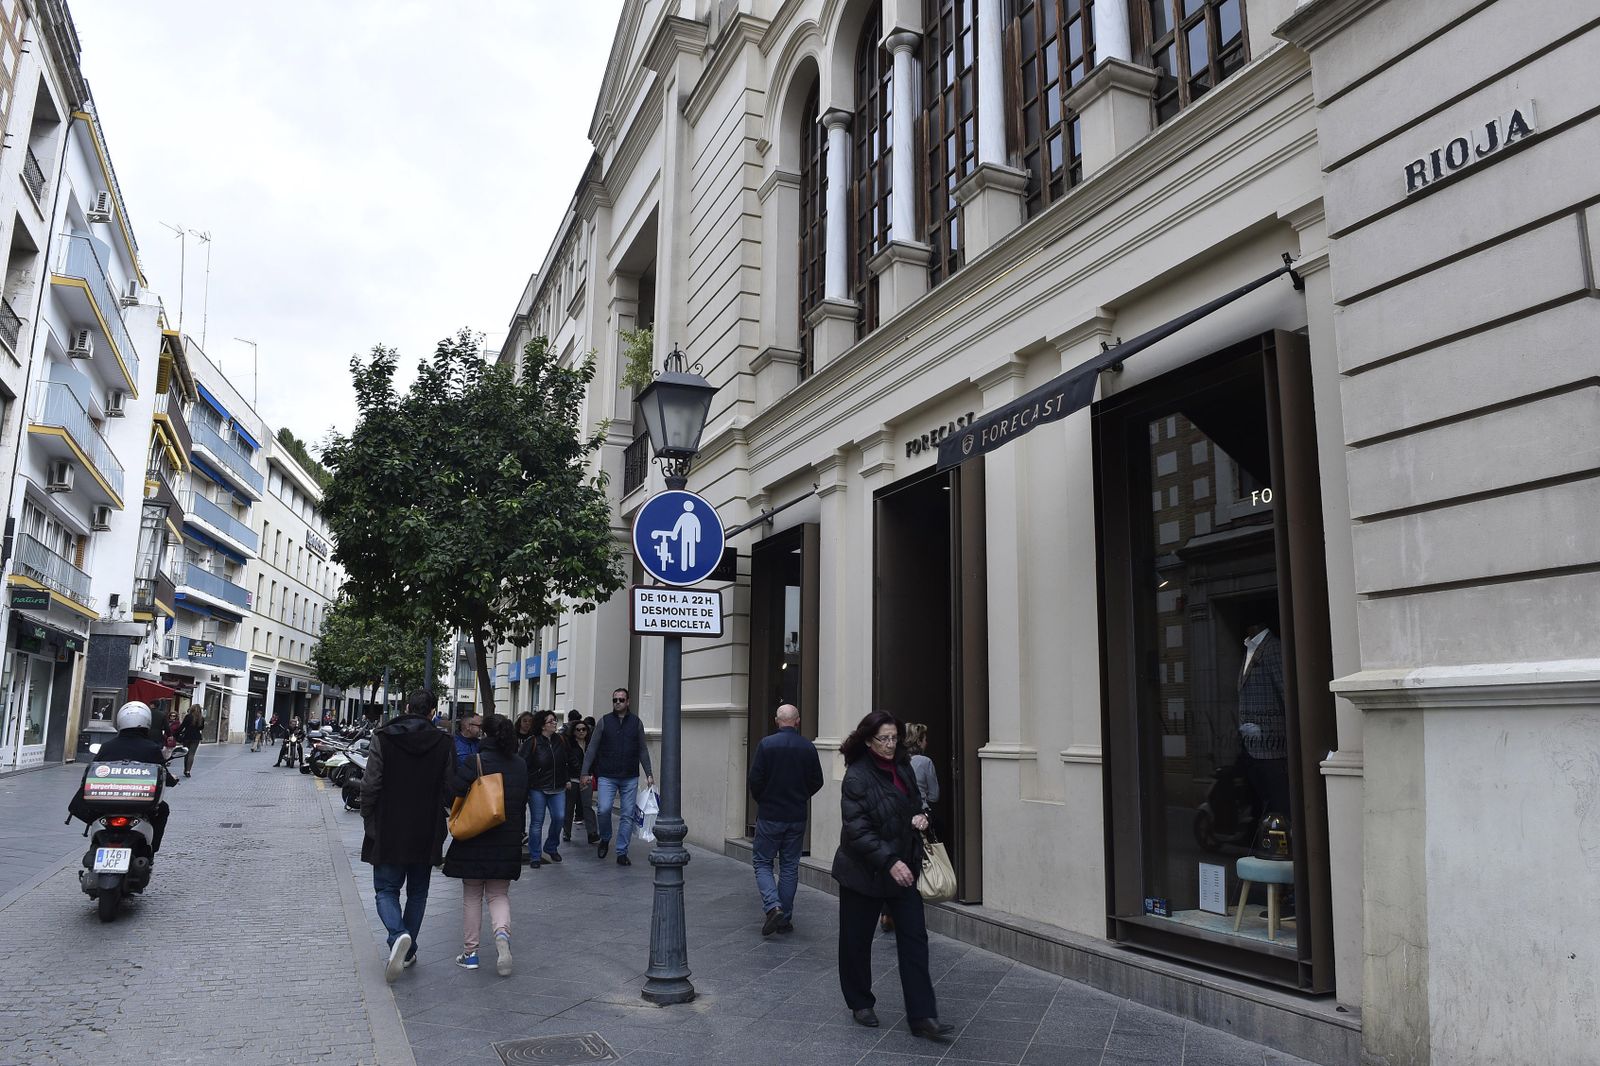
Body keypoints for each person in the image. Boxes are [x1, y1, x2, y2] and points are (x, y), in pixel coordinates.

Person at [832, 711, 952, 1039]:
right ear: (868, 740)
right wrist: (889, 861)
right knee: (856, 941)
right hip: (864, 872)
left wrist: (922, 818)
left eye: (894, 738)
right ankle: (860, 1001)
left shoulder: (904, 768)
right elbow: (857, 829)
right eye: (883, 739)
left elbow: (916, 804)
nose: (889, 744)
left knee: (915, 940)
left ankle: (923, 1016)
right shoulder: (857, 776)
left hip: (904, 870)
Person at [361, 688, 454, 983]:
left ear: (405, 707)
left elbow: (371, 782)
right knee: (418, 892)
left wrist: (367, 814)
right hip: (427, 827)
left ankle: (398, 935)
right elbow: (450, 787)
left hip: (389, 825)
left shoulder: (384, 737)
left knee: (386, 890)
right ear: (432, 712)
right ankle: (409, 948)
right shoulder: (443, 742)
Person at [443, 713, 529, 976]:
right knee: (498, 894)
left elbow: (454, 791)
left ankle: (470, 954)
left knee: (472, 895)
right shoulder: (520, 764)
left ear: (485, 735)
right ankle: (502, 935)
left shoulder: (475, 761)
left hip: (475, 838)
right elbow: (522, 800)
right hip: (507, 839)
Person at [748, 703, 823, 936]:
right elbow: (817, 780)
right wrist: (801, 795)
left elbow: (755, 779)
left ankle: (773, 906)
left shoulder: (766, 745)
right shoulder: (807, 747)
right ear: (797, 721)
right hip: (796, 815)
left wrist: (765, 799)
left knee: (762, 863)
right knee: (789, 866)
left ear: (776, 720)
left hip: (770, 814)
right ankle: (784, 918)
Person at [69, 701, 177, 852]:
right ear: (147, 723)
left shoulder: (107, 746)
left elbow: (95, 769)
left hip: (107, 801)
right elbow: (162, 771)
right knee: (163, 809)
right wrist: (173, 780)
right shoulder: (151, 748)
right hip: (138, 802)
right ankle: (152, 849)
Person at [580, 688, 653, 866]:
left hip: (629, 776)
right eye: (615, 700)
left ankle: (622, 851)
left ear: (628, 701)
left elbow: (642, 749)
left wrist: (649, 773)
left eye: (621, 700)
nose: (617, 703)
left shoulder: (636, 723)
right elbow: (592, 748)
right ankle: (605, 837)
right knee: (603, 809)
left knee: (627, 815)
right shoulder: (604, 722)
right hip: (607, 775)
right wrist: (584, 772)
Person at [522, 710, 578, 867]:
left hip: (558, 787)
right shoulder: (532, 742)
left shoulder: (561, 740)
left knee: (560, 818)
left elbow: (568, 760)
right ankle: (535, 855)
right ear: (542, 726)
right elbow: (522, 764)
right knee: (537, 823)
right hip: (537, 788)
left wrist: (574, 776)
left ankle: (551, 846)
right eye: (551, 721)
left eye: (555, 721)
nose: (555, 723)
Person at [563, 716, 599, 845]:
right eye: (578, 730)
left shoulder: (590, 746)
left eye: (584, 729)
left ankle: (592, 833)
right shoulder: (569, 747)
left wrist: (595, 777)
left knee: (587, 806)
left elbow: (594, 764)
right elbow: (567, 764)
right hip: (573, 780)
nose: (581, 732)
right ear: (573, 732)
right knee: (569, 807)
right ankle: (566, 832)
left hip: (587, 780)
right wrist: (567, 779)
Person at [177, 707, 204, 777]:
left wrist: (176, 734)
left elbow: (182, 726)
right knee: (191, 754)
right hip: (196, 737)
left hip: (187, 736)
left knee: (186, 753)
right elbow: (201, 728)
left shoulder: (188, 717)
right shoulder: (201, 718)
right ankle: (188, 771)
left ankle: (185, 769)